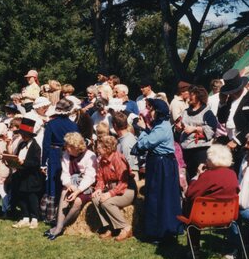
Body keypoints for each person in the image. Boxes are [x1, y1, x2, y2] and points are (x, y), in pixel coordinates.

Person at [135, 98, 182, 243]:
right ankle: (160, 230)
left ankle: (163, 232)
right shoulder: (160, 125)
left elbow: (145, 144)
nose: (150, 112)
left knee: (161, 196)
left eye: (152, 109)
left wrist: (143, 130)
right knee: (159, 195)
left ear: (159, 112)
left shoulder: (162, 127)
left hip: (162, 165)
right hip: (160, 163)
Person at [182, 144, 239, 257]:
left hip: (204, 217)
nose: (205, 160)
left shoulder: (207, 175)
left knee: (191, 207)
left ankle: (194, 249)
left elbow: (189, 193)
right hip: (227, 216)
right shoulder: (232, 174)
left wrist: (196, 176)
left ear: (213, 160)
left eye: (207, 158)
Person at [46, 132, 97, 239]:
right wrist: (69, 184)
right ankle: (58, 226)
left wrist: (77, 191)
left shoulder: (90, 156)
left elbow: (90, 177)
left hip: (87, 187)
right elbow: (65, 174)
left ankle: (62, 226)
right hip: (72, 184)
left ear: (76, 147)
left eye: (68, 146)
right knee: (64, 191)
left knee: (78, 201)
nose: (66, 148)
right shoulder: (66, 155)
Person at [218, 69, 249, 173]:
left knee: (244, 174)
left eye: (235, 91)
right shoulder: (229, 100)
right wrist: (222, 102)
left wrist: (236, 141)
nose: (233, 94)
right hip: (230, 144)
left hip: (246, 144)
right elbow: (221, 119)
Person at [41, 98, 79, 223]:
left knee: (53, 181)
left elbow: (45, 144)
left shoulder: (51, 124)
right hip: (69, 154)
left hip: (53, 153)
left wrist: (43, 163)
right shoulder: (73, 125)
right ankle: (61, 213)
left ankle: (49, 214)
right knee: (65, 181)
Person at [92, 136, 135, 241]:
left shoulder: (118, 159)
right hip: (114, 189)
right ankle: (111, 227)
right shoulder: (103, 159)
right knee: (96, 199)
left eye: (99, 146)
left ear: (107, 148)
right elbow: (100, 178)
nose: (97, 148)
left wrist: (109, 194)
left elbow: (123, 183)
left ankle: (126, 227)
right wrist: (98, 189)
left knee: (107, 202)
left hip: (126, 190)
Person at [175, 85, 217, 181]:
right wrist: (178, 129)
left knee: (201, 176)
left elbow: (212, 129)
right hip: (186, 149)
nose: (189, 97)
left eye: (192, 95)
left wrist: (195, 129)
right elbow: (180, 128)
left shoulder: (207, 112)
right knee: (188, 176)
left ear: (199, 97)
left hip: (200, 149)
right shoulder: (185, 112)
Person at [11, 118, 44, 229]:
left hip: (31, 176)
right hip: (21, 175)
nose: (23, 136)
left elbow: (36, 162)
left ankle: (34, 217)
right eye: (22, 134)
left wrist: (24, 162)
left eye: (25, 134)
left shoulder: (35, 147)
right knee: (22, 196)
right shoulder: (21, 145)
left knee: (32, 197)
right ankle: (25, 216)